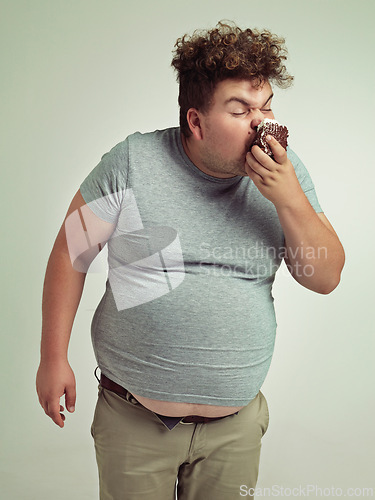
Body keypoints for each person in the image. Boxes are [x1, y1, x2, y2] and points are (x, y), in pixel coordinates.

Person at [36, 21, 345, 500]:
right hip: (134, 420)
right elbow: (70, 253)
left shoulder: (286, 171)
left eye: (265, 108)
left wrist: (289, 199)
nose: (261, 124)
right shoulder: (134, 161)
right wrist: (52, 358)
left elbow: (325, 278)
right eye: (241, 110)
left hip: (234, 429)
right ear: (196, 121)